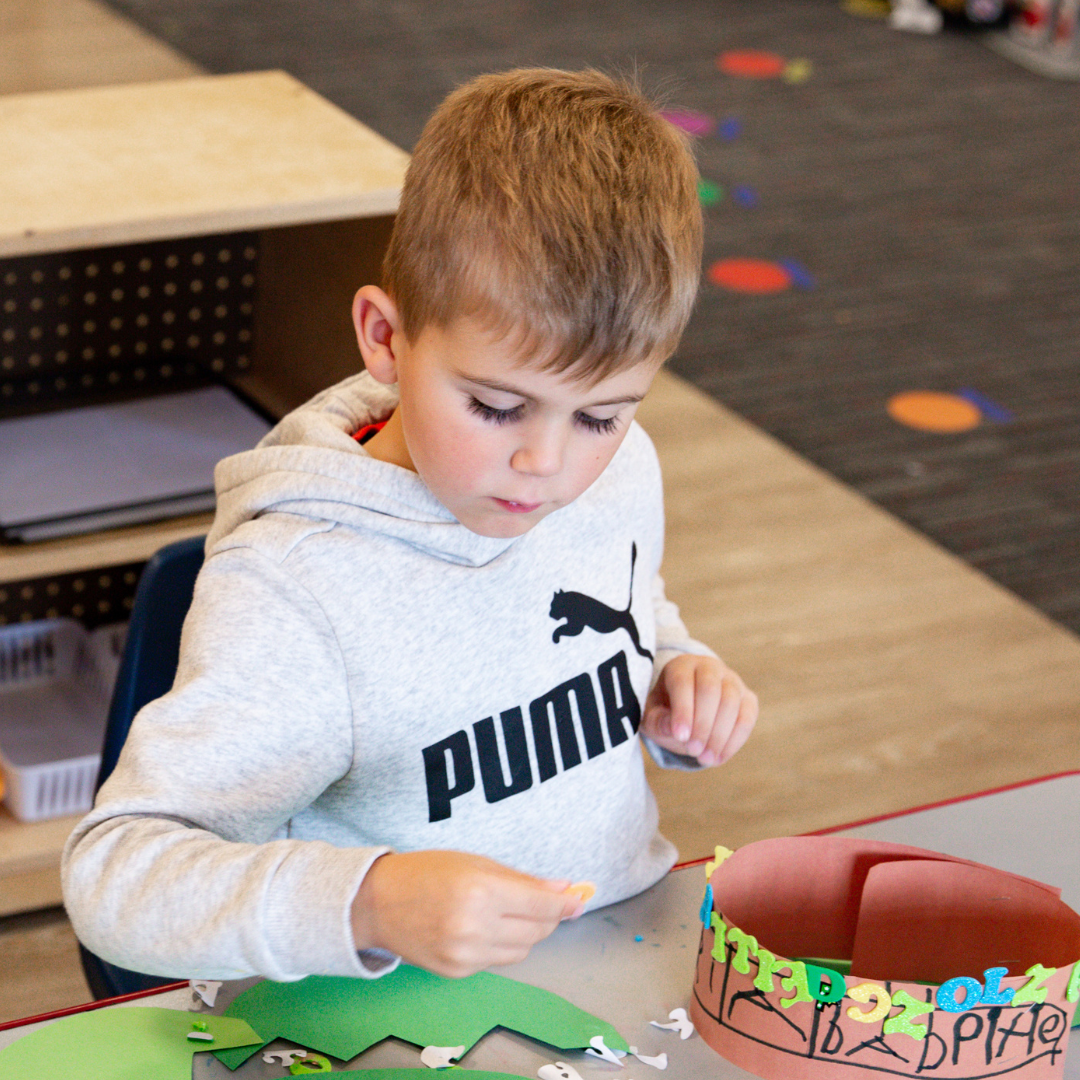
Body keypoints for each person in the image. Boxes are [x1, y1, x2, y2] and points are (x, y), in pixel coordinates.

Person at [62, 68, 758, 984]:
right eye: (497, 406)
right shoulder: (295, 587)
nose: (549, 466)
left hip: (606, 958)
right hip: (380, 1020)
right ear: (385, 339)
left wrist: (674, 672)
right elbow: (117, 874)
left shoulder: (621, 470)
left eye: (600, 415)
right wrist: (371, 901)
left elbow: (632, 605)